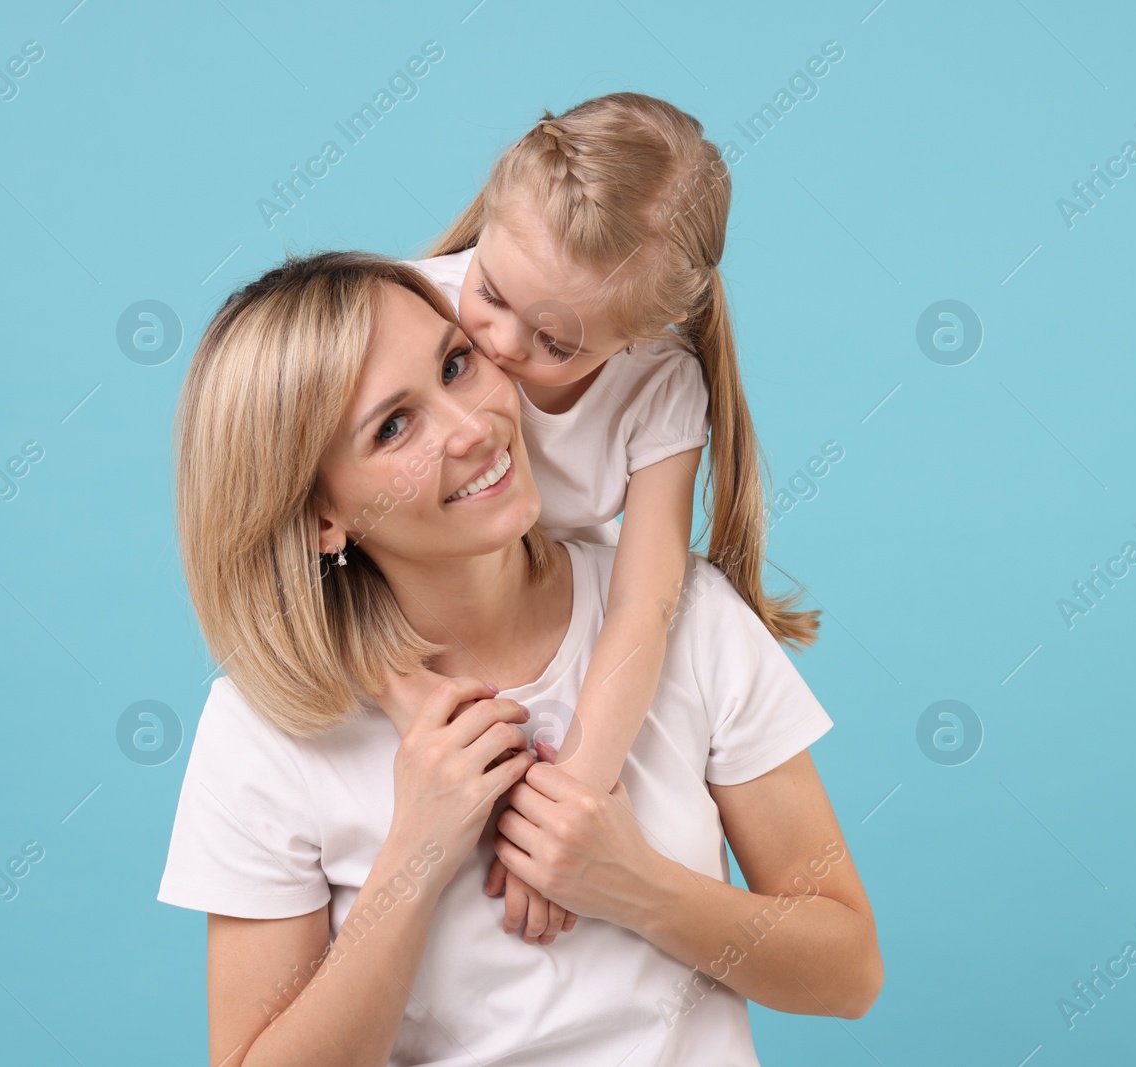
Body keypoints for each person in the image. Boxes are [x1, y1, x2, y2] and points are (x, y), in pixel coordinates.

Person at [157, 251, 882, 1067]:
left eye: (457, 364)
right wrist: (417, 855)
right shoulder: (267, 730)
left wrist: (640, 887)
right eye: (395, 426)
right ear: (324, 516)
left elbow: (848, 970)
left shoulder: (692, 617)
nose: (474, 427)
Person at [412, 93, 818, 941]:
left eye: (556, 345)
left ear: (646, 331)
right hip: (435, 633)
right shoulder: (412, 305)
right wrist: (413, 702)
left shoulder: (661, 386)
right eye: (490, 293)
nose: (500, 346)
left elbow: (645, 598)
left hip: (579, 647)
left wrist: (571, 800)